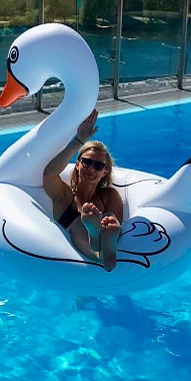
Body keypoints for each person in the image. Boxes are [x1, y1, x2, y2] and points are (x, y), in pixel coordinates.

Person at [43, 109, 124, 271]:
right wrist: (79, 140)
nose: (91, 169)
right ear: (78, 164)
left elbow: (120, 226)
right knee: (79, 223)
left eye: (99, 165)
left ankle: (99, 238)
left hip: (102, 242)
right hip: (77, 246)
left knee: (109, 218)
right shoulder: (65, 195)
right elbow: (49, 174)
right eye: (86, 162)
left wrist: (111, 224)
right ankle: (98, 249)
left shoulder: (109, 196)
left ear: (104, 172)